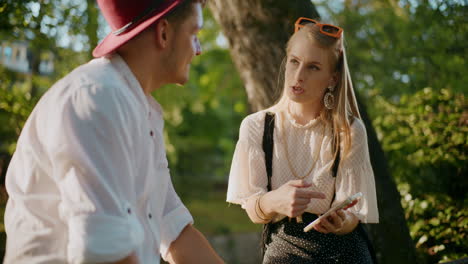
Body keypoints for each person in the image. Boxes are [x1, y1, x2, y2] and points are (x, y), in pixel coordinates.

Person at [3, 0, 224, 263]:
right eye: (194, 33)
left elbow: (174, 232)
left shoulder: (140, 109)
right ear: (163, 33)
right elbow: (103, 253)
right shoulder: (97, 99)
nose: (198, 49)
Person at [227, 17, 379, 263]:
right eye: (294, 62)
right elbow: (254, 210)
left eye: (313, 67)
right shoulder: (256, 126)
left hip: (344, 249)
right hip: (286, 244)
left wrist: (341, 222)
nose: (298, 76)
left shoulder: (349, 129)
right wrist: (276, 200)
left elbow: (354, 214)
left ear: (333, 78)